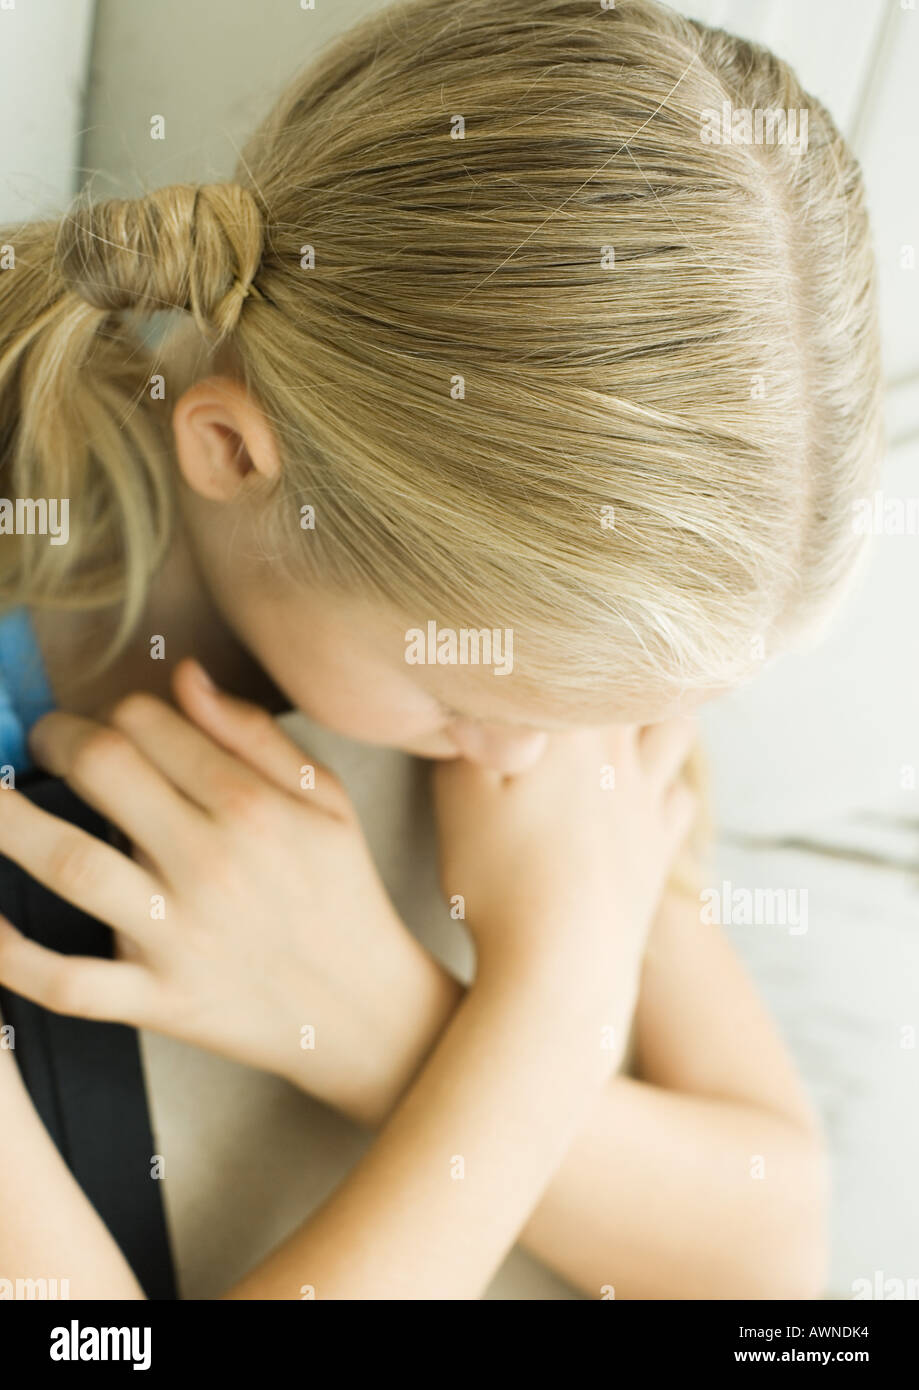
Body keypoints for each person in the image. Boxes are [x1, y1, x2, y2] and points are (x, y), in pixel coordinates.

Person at [0, 0, 882, 1298]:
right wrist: (555, 994)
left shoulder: (529, 651)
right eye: (466, 698)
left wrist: (365, 1017)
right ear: (233, 453)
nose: (532, 759)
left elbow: (770, 1245)